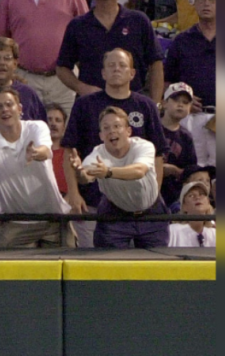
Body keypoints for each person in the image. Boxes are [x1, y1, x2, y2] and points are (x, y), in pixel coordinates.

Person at [61, 48, 166, 241]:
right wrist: (74, 193)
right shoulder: (85, 104)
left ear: (132, 73)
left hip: (143, 202)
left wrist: (153, 194)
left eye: (122, 65)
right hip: (96, 200)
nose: (116, 69)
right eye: (111, 65)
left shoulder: (146, 106)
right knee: (101, 264)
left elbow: (158, 155)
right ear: (103, 73)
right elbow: (71, 152)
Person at [0, 88, 74, 248]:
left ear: (19, 109)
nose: (4, 109)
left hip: (54, 219)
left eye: (9, 104)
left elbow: (46, 151)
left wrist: (35, 152)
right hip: (16, 223)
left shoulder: (36, 127)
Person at [71, 106, 169, 248]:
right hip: (114, 213)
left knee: (157, 263)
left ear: (128, 131)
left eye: (117, 126)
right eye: (106, 128)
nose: (112, 131)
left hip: (151, 213)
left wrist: (108, 172)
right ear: (101, 135)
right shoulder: (97, 154)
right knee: (109, 265)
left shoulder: (144, 146)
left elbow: (139, 171)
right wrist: (79, 172)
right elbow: (86, 176)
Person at [55, 0, 164, 105]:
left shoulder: (139, 21)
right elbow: (62, 67)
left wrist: (155, 104)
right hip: (92, 105)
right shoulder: (78, 25)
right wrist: (81, 87)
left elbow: (156, 63)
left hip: (133, 106)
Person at [0, 0, 88, 117]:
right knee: (26, 130)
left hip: (64, 82)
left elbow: (87, 34)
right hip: (24, 79)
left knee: (66, 130)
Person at [0, 38, 47, 122]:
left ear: (15, 64)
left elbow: (42, 127)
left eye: (7, 58)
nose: (1, 63)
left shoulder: (28, 94)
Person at [163, 0, 215, 110]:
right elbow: (166, 81)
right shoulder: (181, 41)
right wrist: (180, 95)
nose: (206, 4)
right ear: (193, 3)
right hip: (190, 117)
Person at [159, 81, 197, 211]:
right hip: (148, 194)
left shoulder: (186, 137)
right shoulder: (151, 128)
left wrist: (175, 171)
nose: (180, 105)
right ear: (164, 103)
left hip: (173, 197)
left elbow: (190, 170)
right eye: (175, 100)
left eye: (185, 102)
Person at [167, 179, 215, 247]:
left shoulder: (214, 233)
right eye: (191, 195)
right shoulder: (172, 231)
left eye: (201, 194)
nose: (197, 197)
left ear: (208, 202)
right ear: (184, 206)